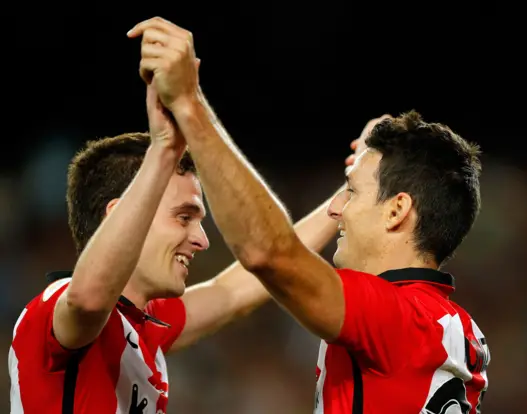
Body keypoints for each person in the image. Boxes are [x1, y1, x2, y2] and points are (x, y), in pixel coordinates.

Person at [128, 16, 491, 414]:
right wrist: (363, 174)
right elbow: (235, 292)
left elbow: (269, 253)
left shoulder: (393, 315)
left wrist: (189, 105)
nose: (337, 209)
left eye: (350, 194)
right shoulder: (453, 328)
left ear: (398, 210)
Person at [8, 78, 350, 412]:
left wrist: (349, 196)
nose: (201, 240)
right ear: (121, 217)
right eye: (184, 218)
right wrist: (163, 151)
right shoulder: (55, 307)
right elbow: (88, 298)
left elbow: (238, 288)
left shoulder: (145, 322)